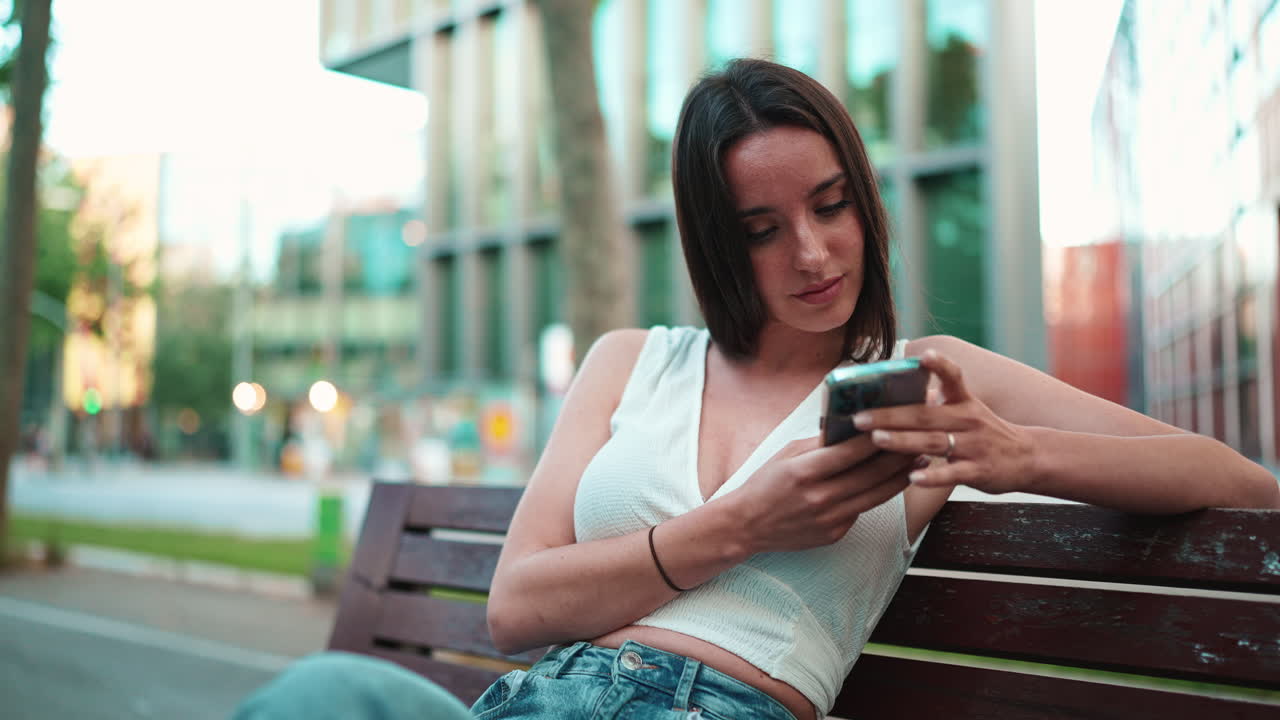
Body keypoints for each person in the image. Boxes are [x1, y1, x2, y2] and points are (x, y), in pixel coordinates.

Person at [232, 58, 1279, 720]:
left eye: (831, 206)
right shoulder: (628, 362)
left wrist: (1010, 455)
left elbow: (1236, 479)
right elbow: (513, 607)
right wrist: (736, 526)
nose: (815, 252)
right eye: (761, 230)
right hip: (542, 698)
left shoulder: (925, 379)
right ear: (713, 244)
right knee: (316, 693)